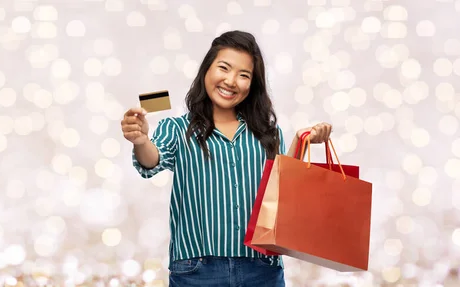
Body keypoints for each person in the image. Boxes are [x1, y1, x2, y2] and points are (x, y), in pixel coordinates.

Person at [121, 30, 332, 287]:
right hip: (197, 271)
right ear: (206, 70)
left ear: (252, 85)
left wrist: (302, 141)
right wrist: (142, 141)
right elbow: (151, 160)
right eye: (224, 68)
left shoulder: (268, 133)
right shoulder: (177, 128)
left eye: (244, 75)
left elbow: (281, 194)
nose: (231, 81)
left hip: (261, 269)